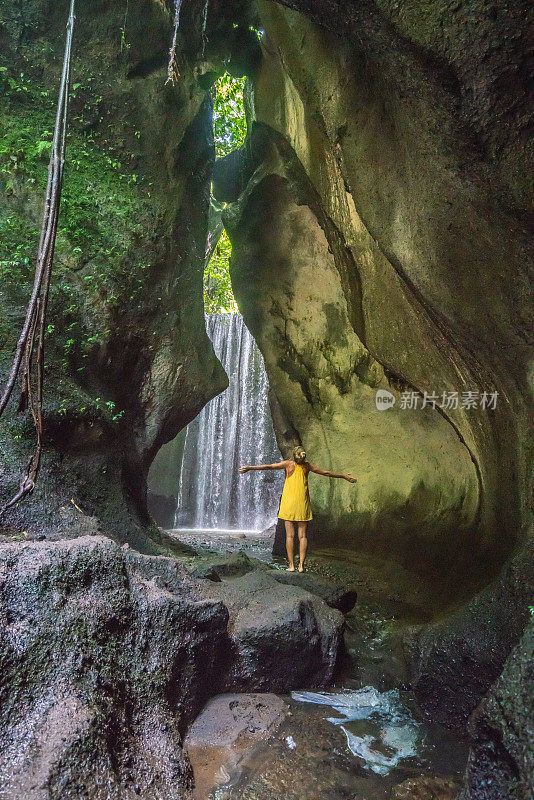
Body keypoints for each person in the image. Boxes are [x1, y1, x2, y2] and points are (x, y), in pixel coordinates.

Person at [239, 445, 356, 572]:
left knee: (290, 536)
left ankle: (291, 566)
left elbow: (269, 466)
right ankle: (301, 566)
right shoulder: (307, 466)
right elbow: (326, 472)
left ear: (293, 455)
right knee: (302, 536)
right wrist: (343, 476)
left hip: (289, 504)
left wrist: (250, 468)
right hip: (302, 504)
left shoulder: (288, 464)